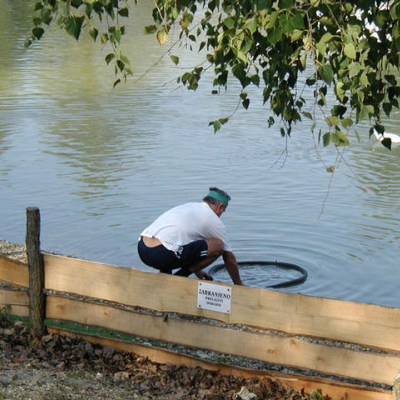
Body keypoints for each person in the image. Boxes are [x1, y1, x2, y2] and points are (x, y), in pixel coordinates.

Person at [137, 187, 243, 285]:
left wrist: (197, 270)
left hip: (143, 248)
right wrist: (239, 284)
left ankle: (165, 276)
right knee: (218, 246)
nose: (221, 214)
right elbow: (229, 258)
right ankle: (180, 276)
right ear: (220, 206)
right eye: (223, 211)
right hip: (160, 254)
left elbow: (186, 243)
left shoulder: (190, 207)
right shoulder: (214, 220)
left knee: (174, 243)